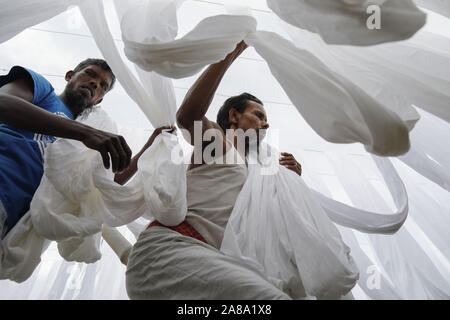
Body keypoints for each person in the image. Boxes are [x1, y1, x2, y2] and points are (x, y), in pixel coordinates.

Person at [125, 41, 304, 300]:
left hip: (212, 264)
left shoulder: (258, 173)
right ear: (234, 116)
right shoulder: (219, 144)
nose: (266, 123)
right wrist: (227, 51)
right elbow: (188, 116)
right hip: (171, 254)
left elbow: (272, 224)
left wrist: (291, 182)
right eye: (259, 115)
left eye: (266, 119)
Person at [0, 59, 133, 241]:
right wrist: (86, 133)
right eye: (90, 74)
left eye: (103, 85)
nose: (95, 83)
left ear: (99, 100)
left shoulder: (86, 143)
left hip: (12, 221)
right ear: (70, 75)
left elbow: (106, 183)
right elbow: (3, 103)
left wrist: (154, 144)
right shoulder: (44, 91)